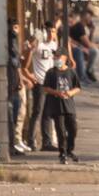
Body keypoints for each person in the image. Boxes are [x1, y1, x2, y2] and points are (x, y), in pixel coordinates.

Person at [24, 23, 58, 151]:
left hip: (51, 83)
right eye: (49, 31)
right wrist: (32, 77)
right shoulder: (39, 45)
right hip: (40, 82)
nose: (51, 34)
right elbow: (26, 62)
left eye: (53, 31)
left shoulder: (54, 46)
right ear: (44, 32)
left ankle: (47, 142)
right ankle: (31, 141)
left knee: (48, 113)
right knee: (37, 111)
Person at [42, 51, 81, 163]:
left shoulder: (71, 72)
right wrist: (56, 92)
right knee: (61, 131)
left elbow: (77, 87)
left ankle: (70, 150)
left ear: (65, 58)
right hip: (56, 106)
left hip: (69, 105)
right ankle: (62, 153)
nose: (56, 58)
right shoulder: (51, 72)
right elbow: (46, 88)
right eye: (55, 56)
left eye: (58, 56)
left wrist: (71, 93)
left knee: (73, 129)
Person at [6, 18, 29, 156]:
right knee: (13, 116)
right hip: (12, 85)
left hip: (14, 83)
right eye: (14, 27)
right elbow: (16, 64)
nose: (15, 30)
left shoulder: (15, 42)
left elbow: (19, 64)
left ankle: (15, 142)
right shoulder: (12, 40)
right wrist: (20, 80)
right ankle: (14, 142)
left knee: (17, 114)